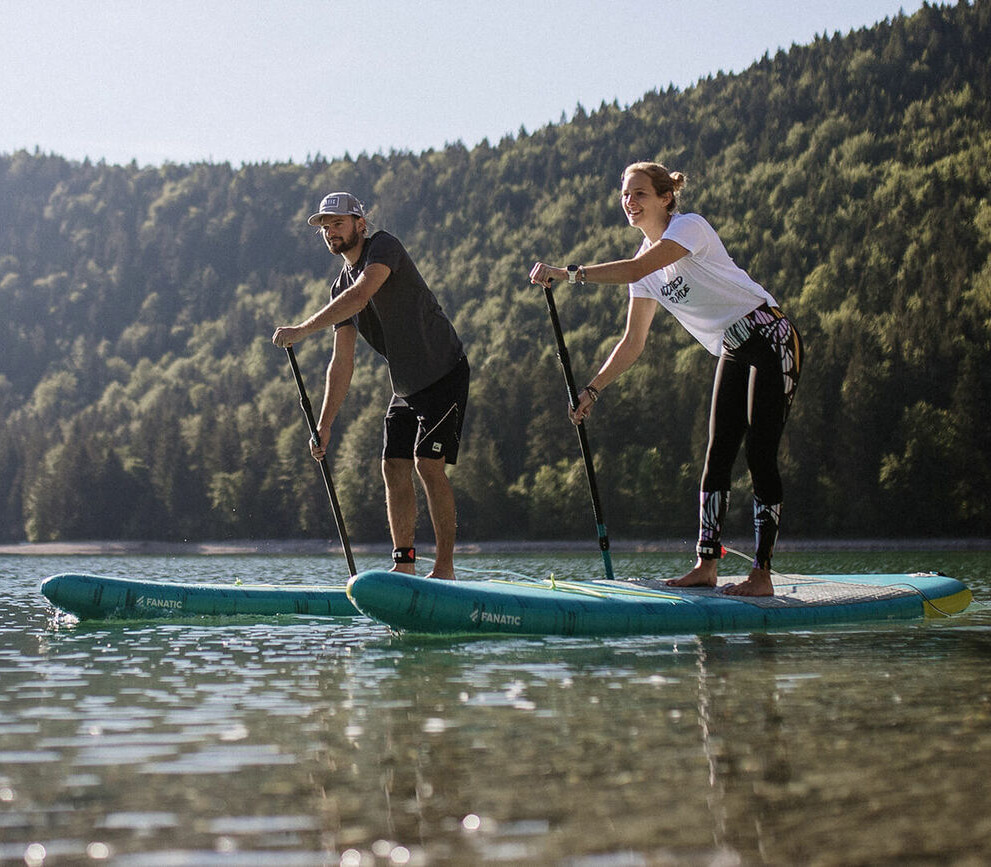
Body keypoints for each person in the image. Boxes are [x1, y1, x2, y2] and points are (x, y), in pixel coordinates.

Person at [530, 162, 803, 596]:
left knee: (759, 454)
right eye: (625, 194)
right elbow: (632, 342)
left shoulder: (689, 228)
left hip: (771, 336)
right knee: (717, 453)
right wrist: (593, 390)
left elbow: (636, 271)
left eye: (639, 193)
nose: (629, 202)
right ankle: (706, 564)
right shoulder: (644, 267)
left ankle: (762, 574)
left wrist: (569, 274)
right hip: (733, 346)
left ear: (665, 199)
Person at [273, 192, 469, 580]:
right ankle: (405, 564)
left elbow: (362, 295)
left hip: (444, 371)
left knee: (427, 464)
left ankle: (445, 570)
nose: (331, 232)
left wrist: (302, 329)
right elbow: (341, 363)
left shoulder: (384, 247)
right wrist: (325, 424)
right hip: (407, 385)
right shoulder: (337, 287)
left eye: (338, 224)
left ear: (360, 224)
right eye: (325, 228)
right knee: (392, 465)